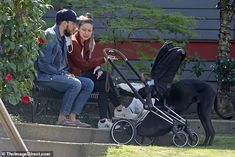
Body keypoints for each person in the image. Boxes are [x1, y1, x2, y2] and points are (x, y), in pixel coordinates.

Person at [67, 13, 138, 130]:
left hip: (82, 75)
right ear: (78, 29)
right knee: (104, 81)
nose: (86, 33)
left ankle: (104, 120)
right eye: (84, 30)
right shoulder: (74, 43)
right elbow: (81, 64)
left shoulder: (85, 43)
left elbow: (87, 62)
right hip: (75, 76)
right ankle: (118, 109)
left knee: (104, 83)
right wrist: (103, 60)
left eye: (89, 31)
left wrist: (97, 68)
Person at [35, 9, 94, 127]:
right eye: (73, 24)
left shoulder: (63, 37)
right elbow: (43, 65)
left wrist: (65, 73)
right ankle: (62, 118)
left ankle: (72, 118)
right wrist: (63, 74)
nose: (75, 27)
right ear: (64, 23)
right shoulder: (50, 36)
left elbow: (60, 63)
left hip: (56, 75)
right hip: (44, 76)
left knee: (88, 83)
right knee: (75, 83)